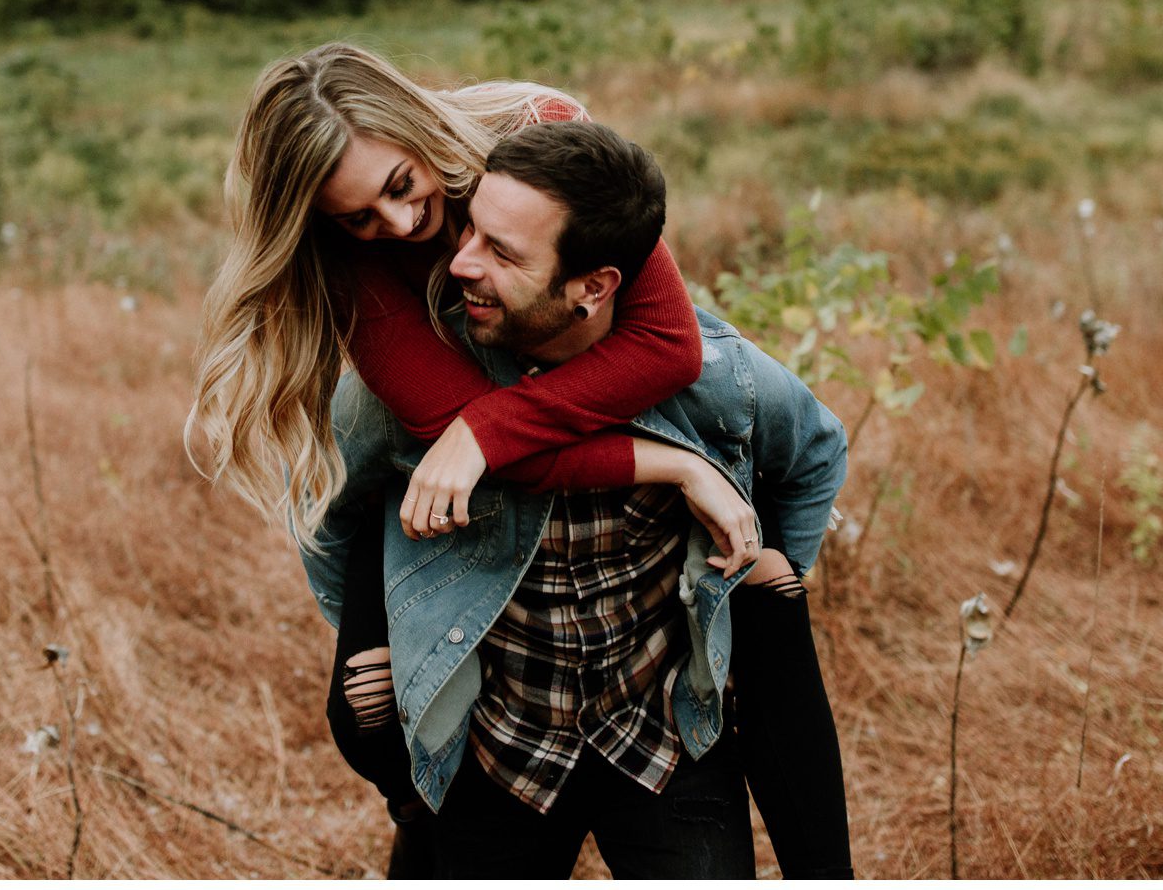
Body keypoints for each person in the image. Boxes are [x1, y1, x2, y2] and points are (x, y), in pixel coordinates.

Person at [185, 43, 850, 876]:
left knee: (773, 625)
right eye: (358, 217)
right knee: (366, 711)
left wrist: (750, 576)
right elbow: (434, 467)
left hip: (651, 716)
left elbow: (668, 349)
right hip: (506, 719)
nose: (402, 226)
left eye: (401, 185)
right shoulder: (358, 283)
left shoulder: (545, 143)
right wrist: (671, 468)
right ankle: (421, 810)